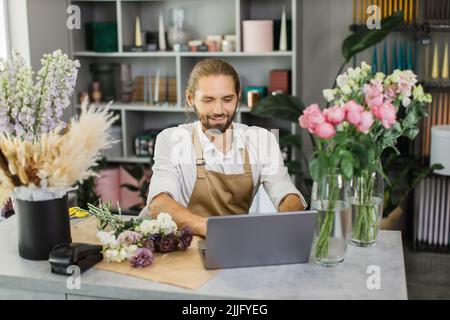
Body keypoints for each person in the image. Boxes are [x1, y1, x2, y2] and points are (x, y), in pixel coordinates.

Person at [143, 58, 307, 237]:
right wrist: (214, 230)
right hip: (181, 244)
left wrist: (282, 222)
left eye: (227, 99)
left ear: (238, 96)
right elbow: (159, 204)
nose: (219, 110)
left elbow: (286, 194)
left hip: (233, 243)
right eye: (208, 100)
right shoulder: (171, 140)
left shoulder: (262, 140)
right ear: (190, 99)